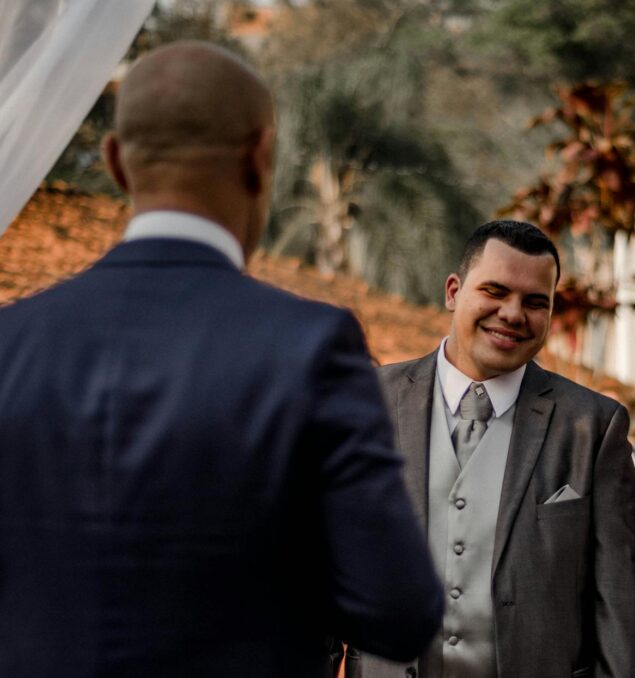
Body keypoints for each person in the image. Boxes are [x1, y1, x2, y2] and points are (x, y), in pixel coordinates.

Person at [0, 42, 443, 677]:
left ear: (117, 163)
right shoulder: (310, 349)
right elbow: (399, 611)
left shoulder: (10, 342)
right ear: (261, 157)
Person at [347, 220, 635, 678]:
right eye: (495, 291)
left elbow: (621, 607)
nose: (513, 314)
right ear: (453, 291)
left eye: (535, 302)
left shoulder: (593, 426)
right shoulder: (365, 401)